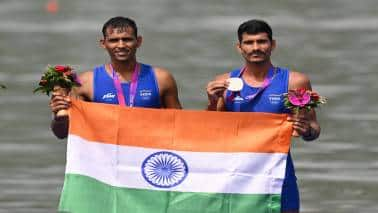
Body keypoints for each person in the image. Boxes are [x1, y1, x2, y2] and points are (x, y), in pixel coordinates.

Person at [206, 19, 320, 213]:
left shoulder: (295, 82)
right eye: (249, 43)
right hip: (235, 175)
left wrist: (307, 130)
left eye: (262, 41)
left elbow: (313, 128)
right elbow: (210, 132)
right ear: (239, 47)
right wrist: (211, 101)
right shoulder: (223, 83)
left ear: (272, 44)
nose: (256, 47)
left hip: (278, 174)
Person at [50, 16, 182, 139]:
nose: (121, 45)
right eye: (114, 40)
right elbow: (62, 133)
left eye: (127, 39)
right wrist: (58, 115)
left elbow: (180, 127)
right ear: (103, 43)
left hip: (148, 159)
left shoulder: (161, 79)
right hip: (106, 161)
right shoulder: (85, 83)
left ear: (138, 41)